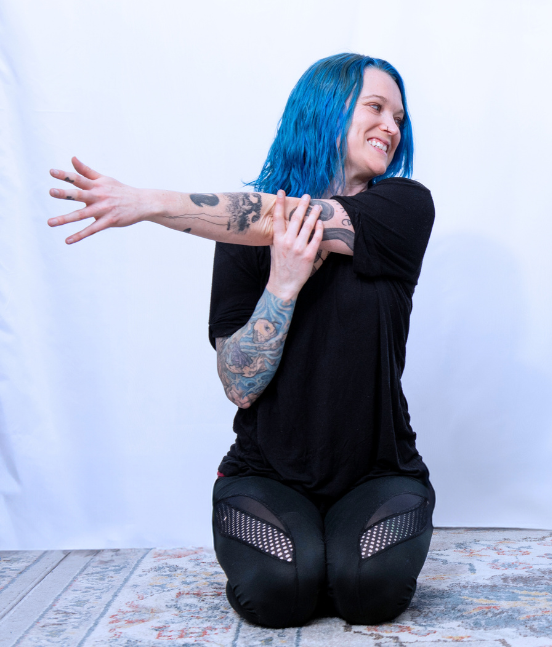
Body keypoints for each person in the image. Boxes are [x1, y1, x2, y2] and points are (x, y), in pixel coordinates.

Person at [47, 53, 436, 627]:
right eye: (375, 107)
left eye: (399, 117)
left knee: (369, 592)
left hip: (380, 470)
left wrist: (150, 202)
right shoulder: (240, 240)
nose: (392, 126)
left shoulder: (405, 207)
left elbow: (275, 216)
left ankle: (336, 548)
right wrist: (282, 285)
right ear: (326, 111)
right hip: (267, 472)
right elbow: (240, 384)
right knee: (281, 595)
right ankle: (310, 549)